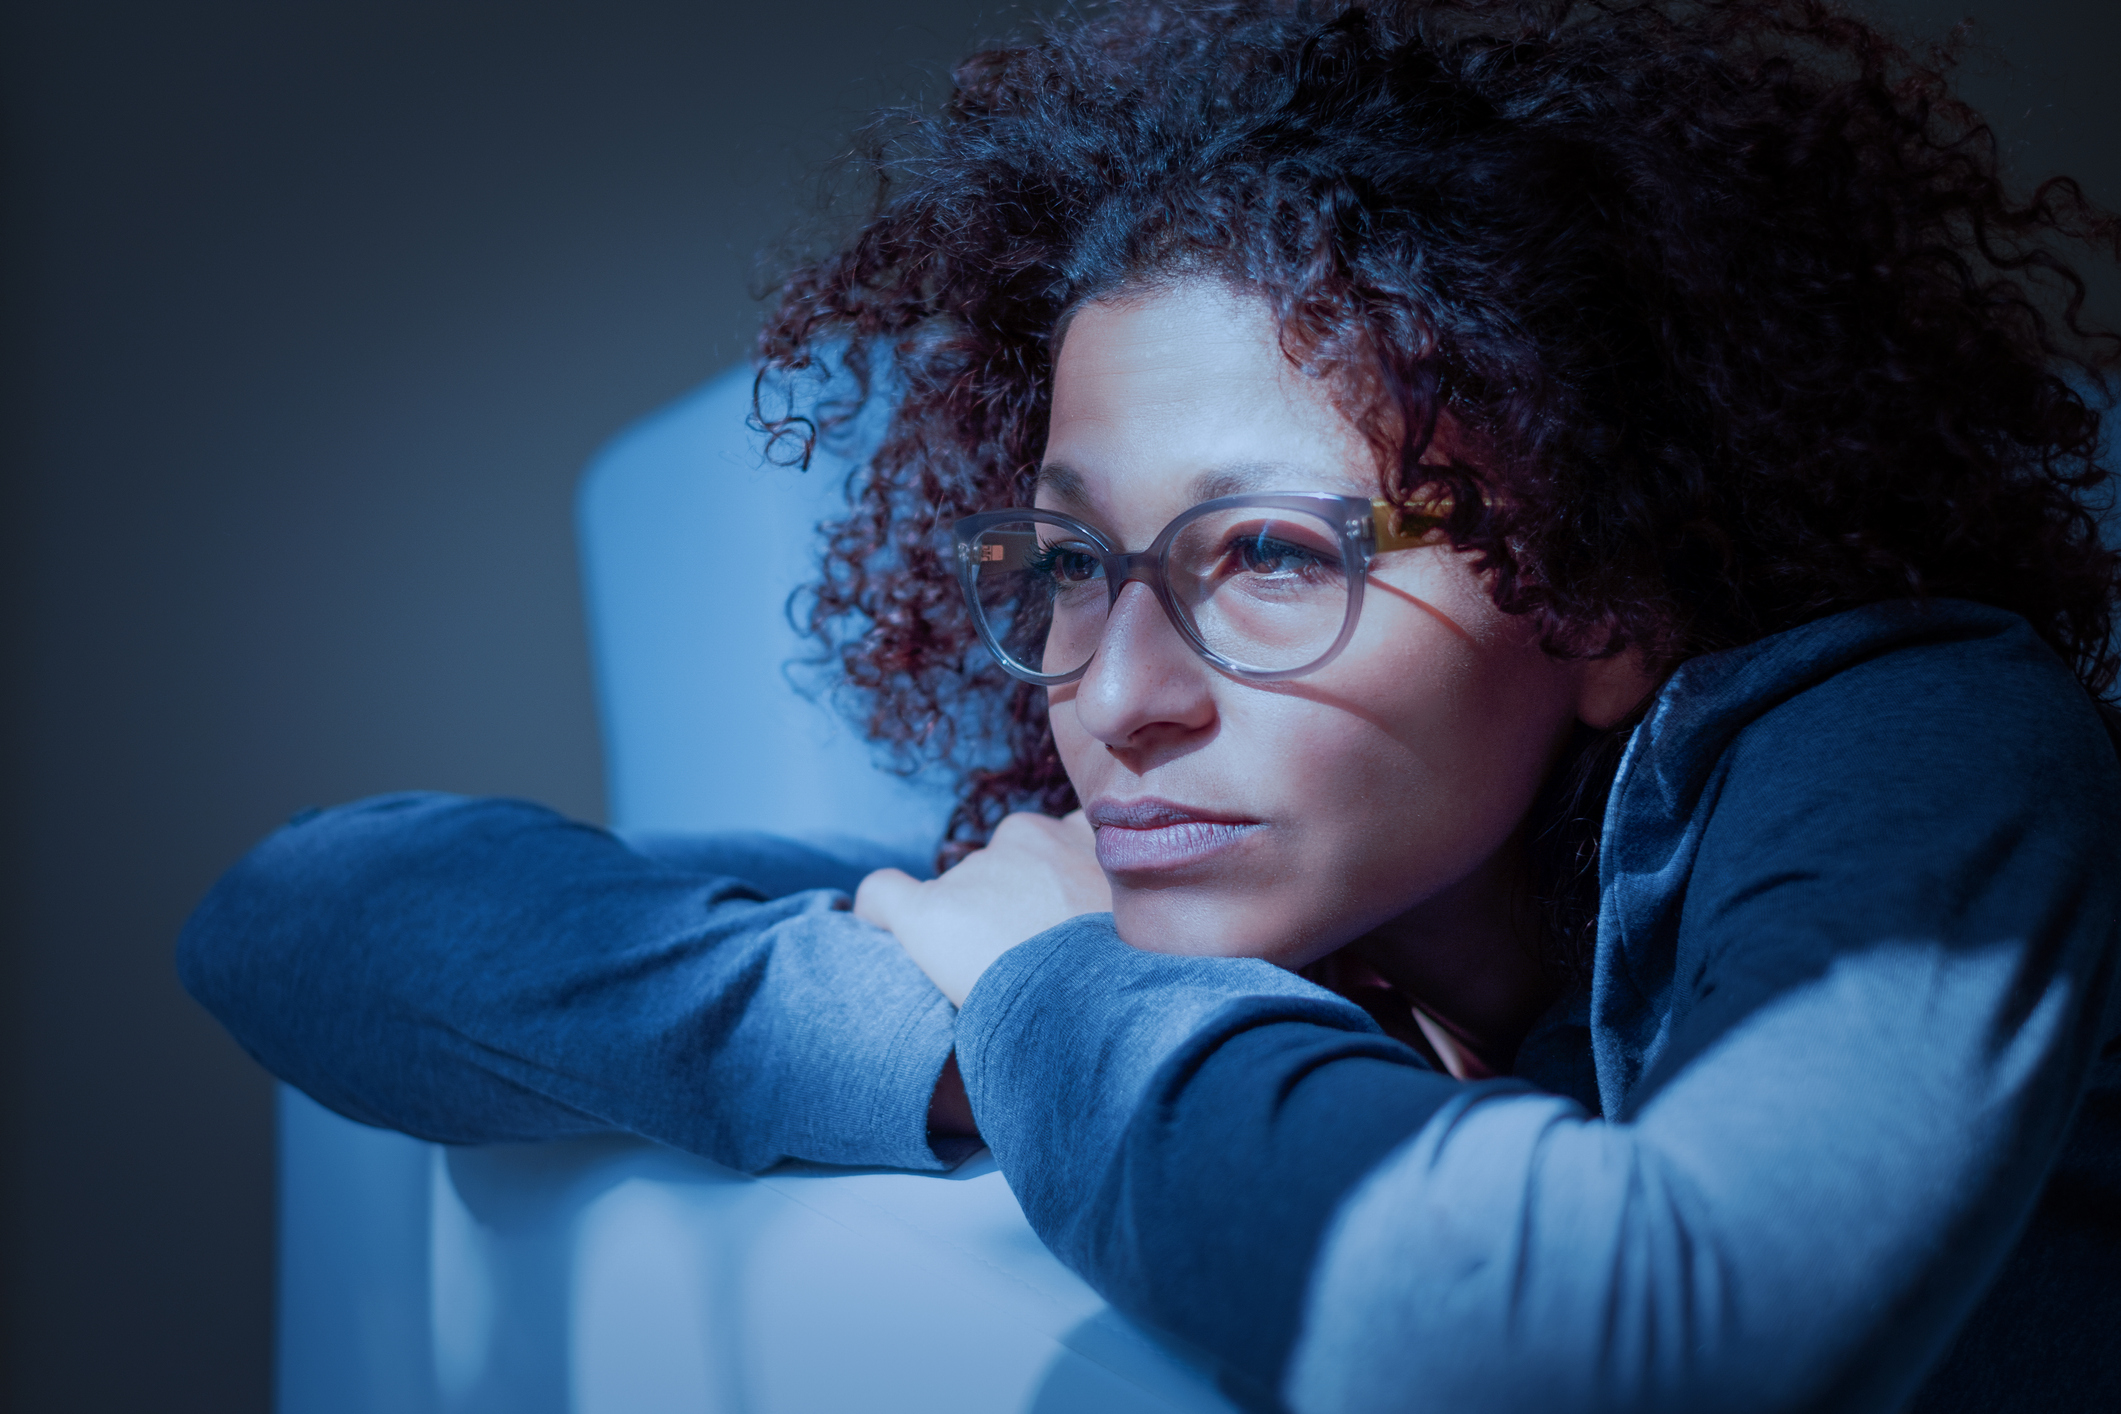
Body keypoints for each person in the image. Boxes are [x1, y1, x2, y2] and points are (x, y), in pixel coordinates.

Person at [181, 2, 2121, 1411]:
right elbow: (308, 910)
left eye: (1267, 554)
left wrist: (1047, 999)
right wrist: (959, 1022)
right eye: (1066, 562)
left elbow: (1643, 1347)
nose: (1110, 696)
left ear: (1603, 585)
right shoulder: (1255, 885)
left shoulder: (1923, 737)